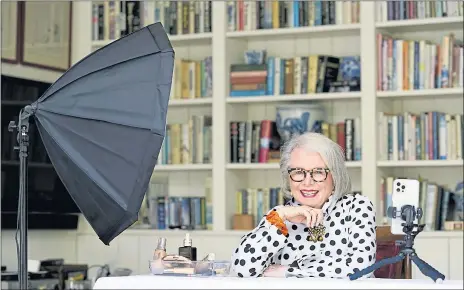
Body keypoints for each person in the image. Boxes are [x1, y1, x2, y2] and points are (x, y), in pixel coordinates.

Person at [230, 132, 377, 279]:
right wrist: (279, 216)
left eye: (318, 172)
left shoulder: (357, 207)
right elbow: (241, 270)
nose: (307, 182)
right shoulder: (280, 215)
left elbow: (362, 267)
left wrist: (288, 272)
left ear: (335, 176)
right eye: (299, 172)